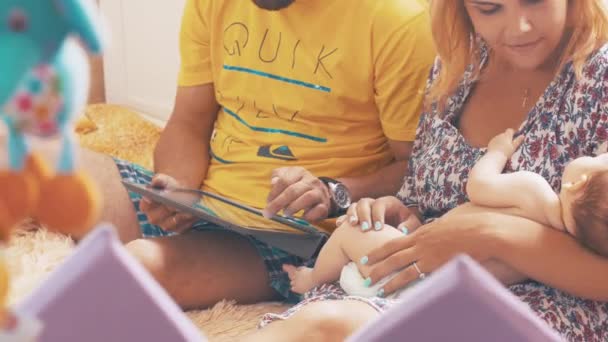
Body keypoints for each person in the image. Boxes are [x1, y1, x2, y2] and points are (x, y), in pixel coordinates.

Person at [14, 0, 434, 310]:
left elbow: (416, 171)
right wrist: (176, 189)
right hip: (208, 207)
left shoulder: (396, 20)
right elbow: (189, 122)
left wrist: (332, 191)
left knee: (134, 270)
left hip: (292, 240)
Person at [241, 1, 608, 341]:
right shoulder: (458, 65)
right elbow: (422, 194)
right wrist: (401, 211)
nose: (519, 27)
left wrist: (490, 232)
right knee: (318, 320)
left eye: (535, 0)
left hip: (539, 304)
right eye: (489, 8)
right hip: (422, 270)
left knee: (327, 326)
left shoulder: (599, 79)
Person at [468, 128, 608, 256]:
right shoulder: (557, 252)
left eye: (597, 158)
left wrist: (498, 152)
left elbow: (478, 185)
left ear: (577, 184)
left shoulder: (534, 190)